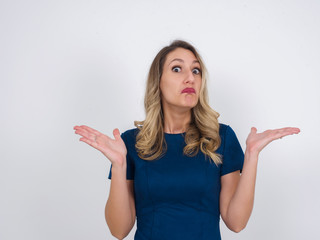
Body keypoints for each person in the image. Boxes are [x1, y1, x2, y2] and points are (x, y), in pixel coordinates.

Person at [73, 40, 300, 240]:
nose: (190, 77)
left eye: (196, 70)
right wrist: (119, 165)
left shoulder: (221, 138)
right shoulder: (131, 144)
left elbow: (236, 223)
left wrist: (251, 155)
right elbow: (118, 230)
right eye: (177, 69)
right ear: (158, 81)